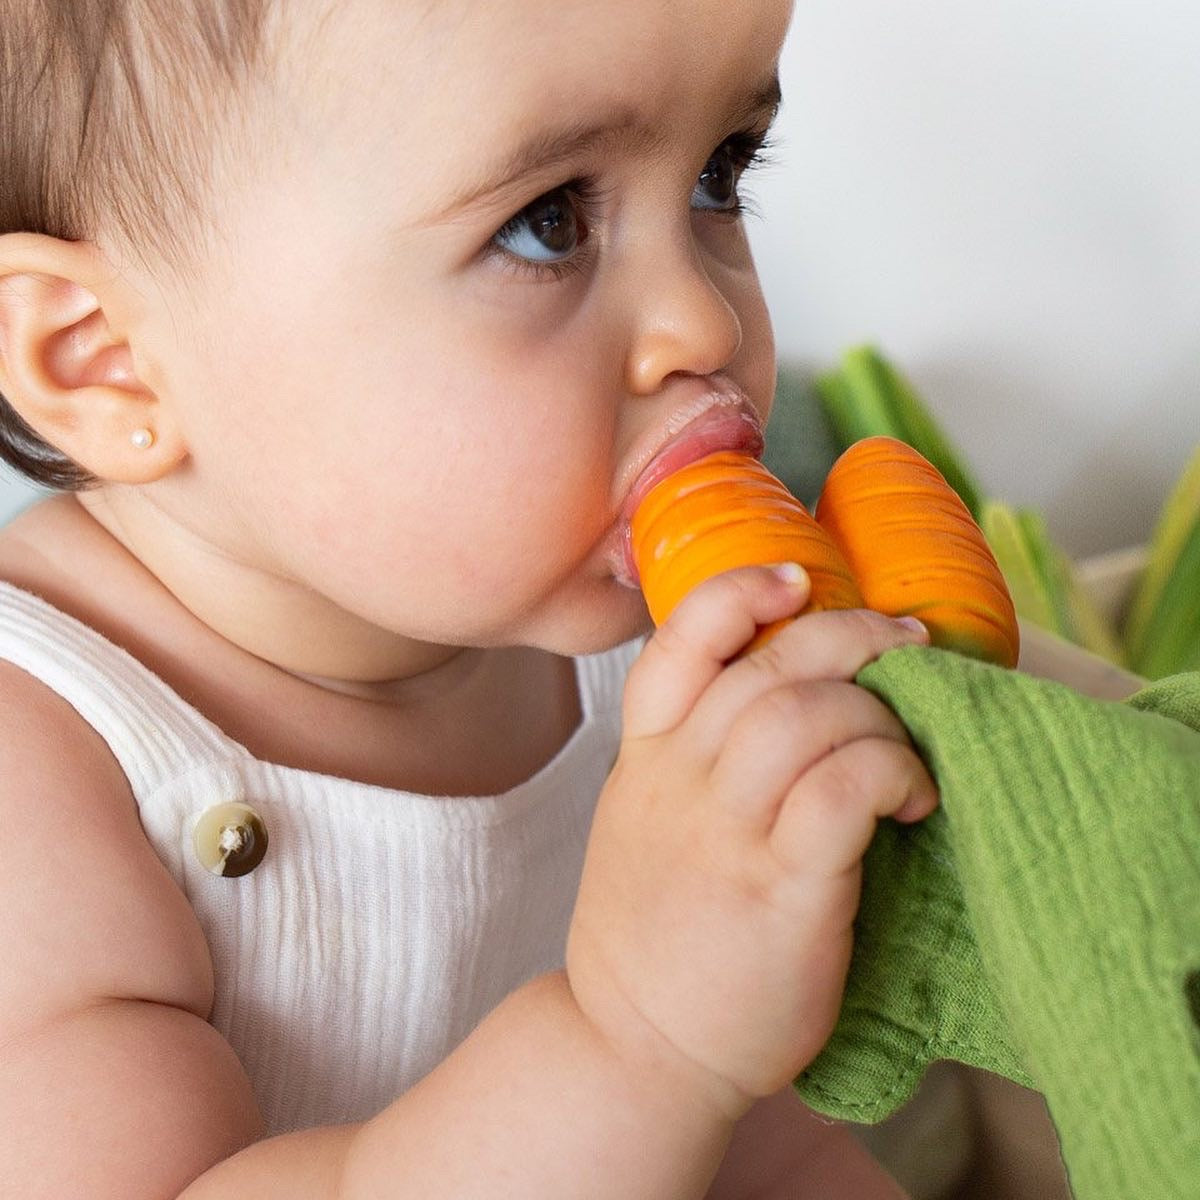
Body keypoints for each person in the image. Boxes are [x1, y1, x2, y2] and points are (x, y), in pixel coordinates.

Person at [0, 1, 938, 1196]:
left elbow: (760, 1131)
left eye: (720, 172)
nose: (705, 320)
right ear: (105, 358)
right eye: (547, 224)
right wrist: (640, 1044)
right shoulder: (42, 767)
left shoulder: (647, 631)